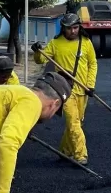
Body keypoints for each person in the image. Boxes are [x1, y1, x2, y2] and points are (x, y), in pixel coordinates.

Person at [31, 13, 98, 165]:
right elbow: (40, 59)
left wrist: (90, 85)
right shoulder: (56, 43)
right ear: (63, 29)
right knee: (73, 122)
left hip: (83, 89)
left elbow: (93, 64)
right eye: (69, 29)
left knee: (77, 122)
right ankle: (81, 155)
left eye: (75, 28)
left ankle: (64, 151)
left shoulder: (86, 42)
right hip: (65, 91)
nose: (73, 31)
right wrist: (37, 51)